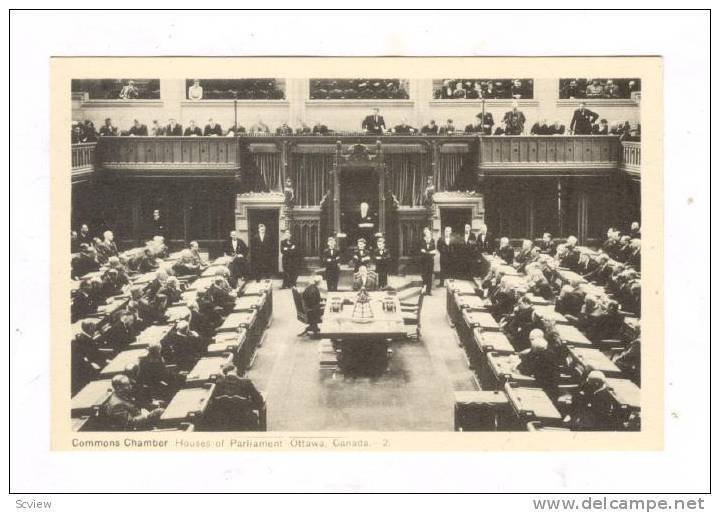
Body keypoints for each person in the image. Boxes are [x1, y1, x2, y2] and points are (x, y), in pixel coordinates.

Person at [418, 228, 437, 295]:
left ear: (430, 233)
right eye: (425, 232)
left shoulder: (432, 240)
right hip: (424, 261)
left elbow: (434, 252)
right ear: (424, 233)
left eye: (428, 232)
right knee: (424, 275)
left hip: (430, 261)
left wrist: (426, 252)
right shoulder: (422, 240)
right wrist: (429, 253)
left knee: (429, 275)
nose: (427, 233)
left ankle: (429, 290)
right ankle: (423, 289)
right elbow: (421, 251)